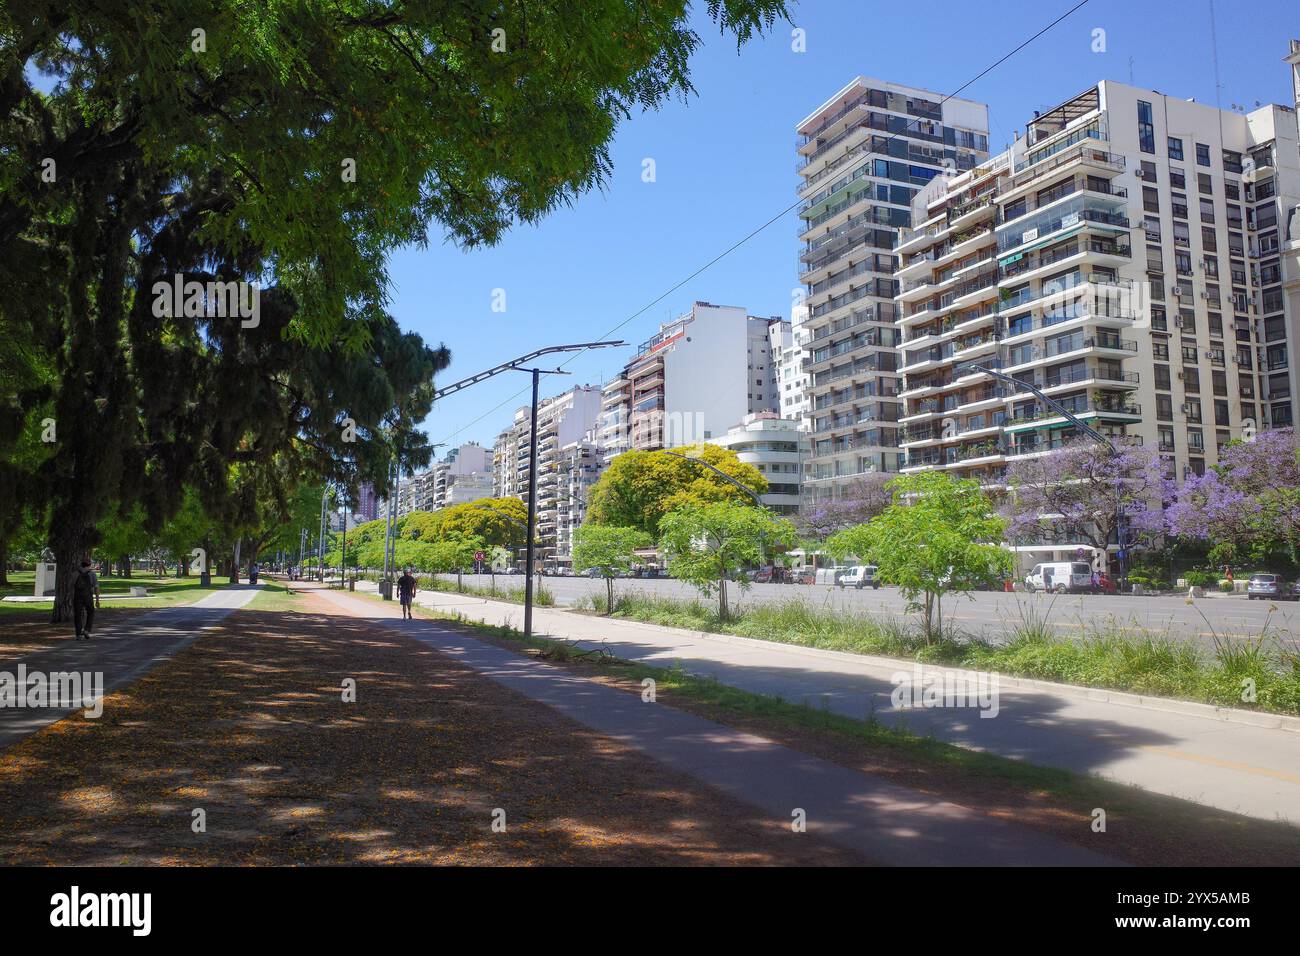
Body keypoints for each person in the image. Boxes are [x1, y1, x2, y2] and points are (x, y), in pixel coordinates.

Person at [73, 557, 100, 640]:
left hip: (77, 596)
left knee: (78, 614)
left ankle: (78, 634)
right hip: (88, 596)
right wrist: (97, 600)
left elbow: (71, 586)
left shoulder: (75, 573)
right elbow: (96, 588)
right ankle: (87, 630)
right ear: (89, 565)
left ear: (81, 565)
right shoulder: (92, 574)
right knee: (91, 612)